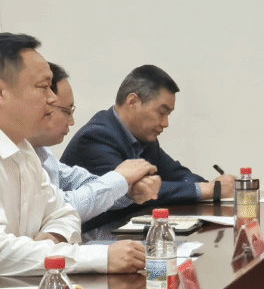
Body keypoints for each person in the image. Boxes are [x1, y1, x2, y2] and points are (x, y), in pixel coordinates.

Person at [0, 33, 144, 282]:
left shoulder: (22, 148)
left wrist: (53, 237)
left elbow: (64, 212)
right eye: (43, 87)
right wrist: (99, 258)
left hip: (22, 288)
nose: (52, 98)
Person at [62, 64, 224, 229]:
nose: (166, 123)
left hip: (125, 233)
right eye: (162, 112)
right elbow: (140, 191)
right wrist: (207, 190)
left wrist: (216, 186)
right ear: (133, 102)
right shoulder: (96, 137)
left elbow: (176, 174)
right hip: (89, 237)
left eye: (168, 115)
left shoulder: (143, 137)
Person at [32, 64, 159, 227]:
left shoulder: (41, 151)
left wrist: (128, 189)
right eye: (66, 111)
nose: (72, 121)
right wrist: (120, 178)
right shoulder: (96, 135)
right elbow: (60, 209)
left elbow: (79, 181)